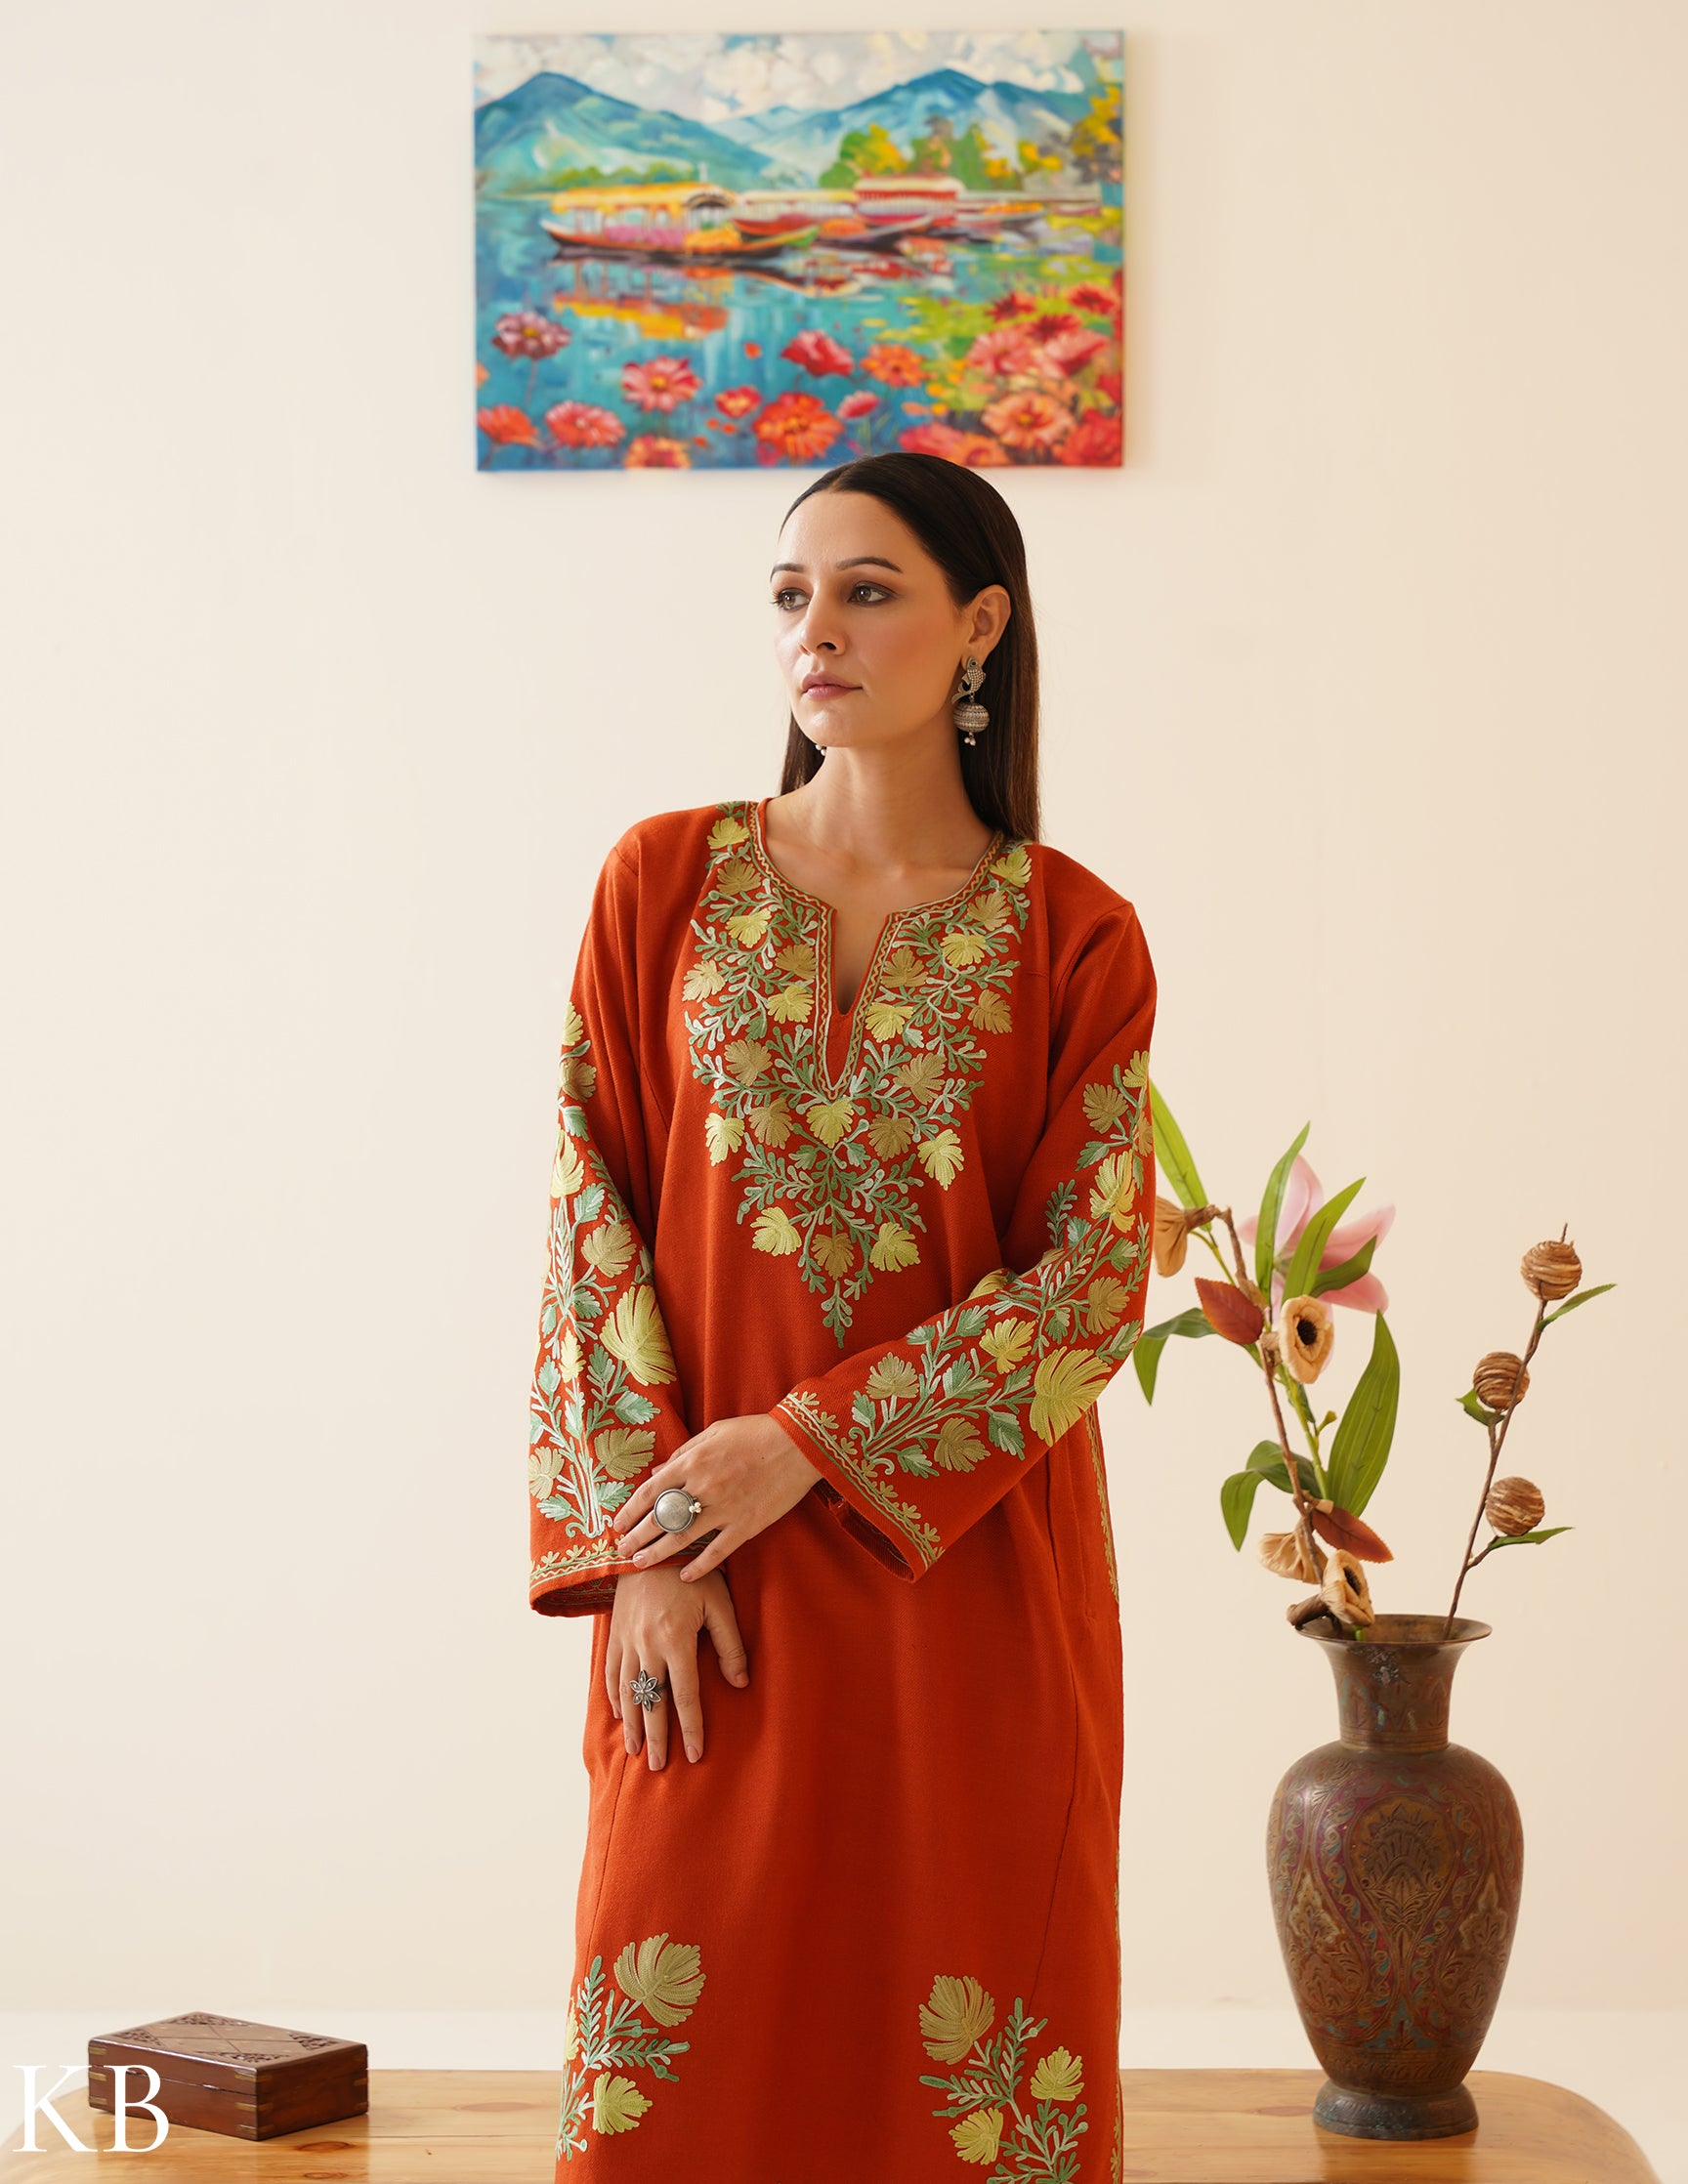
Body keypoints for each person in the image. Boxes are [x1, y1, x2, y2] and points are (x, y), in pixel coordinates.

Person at [528, 450, 1157, 2180]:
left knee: (966, 2043)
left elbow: (1092, 1282)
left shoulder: (1077, 939)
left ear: (981, 627)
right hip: (703, 1583)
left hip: (966, 1595)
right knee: (679, 2041)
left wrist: (804, 1443)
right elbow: (592, 1220)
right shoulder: (661, 884)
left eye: (869, 592)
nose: (818, 629)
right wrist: (648, 1546)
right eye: (793, 594)